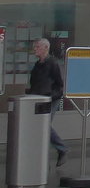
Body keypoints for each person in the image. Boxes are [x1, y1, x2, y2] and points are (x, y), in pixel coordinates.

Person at [28, 37, 69, 167]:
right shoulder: (38, 65)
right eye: (34, 47)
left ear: (46, 48)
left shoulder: (52, 63)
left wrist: (51, 96)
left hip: (50, 99)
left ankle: (61, 149)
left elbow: (59, 84)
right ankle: (42, 158)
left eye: (37, 47)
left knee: (44, 125)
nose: (35, 49)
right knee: (38, 126)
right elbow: (34, 82)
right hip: (38, 98)